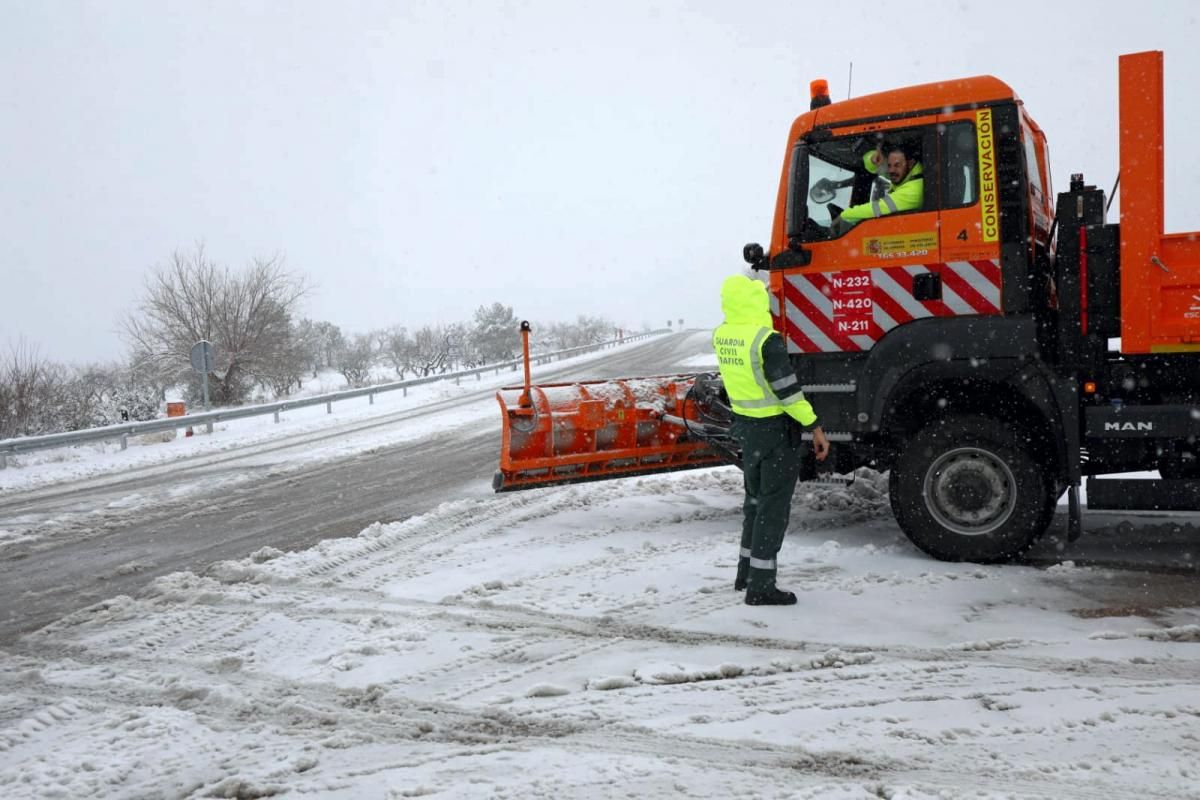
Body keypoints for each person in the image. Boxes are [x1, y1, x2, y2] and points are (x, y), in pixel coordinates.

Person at [713, 274, 831, 606]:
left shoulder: (722, 335)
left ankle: (745, 574)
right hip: (775, 433)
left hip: (747, 430)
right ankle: (761, 587)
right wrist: (815, 426)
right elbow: (789, 393)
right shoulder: (768, 340)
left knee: (754, 503)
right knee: (772, 508)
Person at [833, 143, 924, 228]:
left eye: (897, 165)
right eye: (889, 165)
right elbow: (877, 167)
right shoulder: (906, 177)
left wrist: (843, 216)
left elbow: (878, 208)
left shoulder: (915, 189)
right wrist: (872, 159)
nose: (891, 171)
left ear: (910, 164)